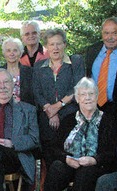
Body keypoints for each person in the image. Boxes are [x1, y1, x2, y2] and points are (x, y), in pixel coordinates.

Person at [43, 77, 117, 191]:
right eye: (83, 94)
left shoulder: (108, 121)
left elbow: (112, 152)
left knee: (86, 172)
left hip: (96, 166)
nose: (87, 98)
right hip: (71, 162)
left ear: (97, 96)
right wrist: (66, 159)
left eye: (91, 94)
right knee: (57, 167)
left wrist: (94, 160)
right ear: (77, 99)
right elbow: (54, 147)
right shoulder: (68, 120)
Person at [32, 28, 84, 167]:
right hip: (46, 116)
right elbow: (37, 92)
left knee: (68, 153)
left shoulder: (76, 62)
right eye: (51, 44)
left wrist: (58, 106)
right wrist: (50, 111)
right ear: (46, 47)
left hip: (70, 115)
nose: (55, 48)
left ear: (65, 45)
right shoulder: (38, 67)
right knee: (49, 154)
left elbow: (78, 87)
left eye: (59, 44)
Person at [0, 37, 35, 106]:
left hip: (25, 112)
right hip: (2, 110)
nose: (11, 53)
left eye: (15, 50)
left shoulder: (31, 72)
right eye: (8, 50)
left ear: (20, 53)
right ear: (4, 53)